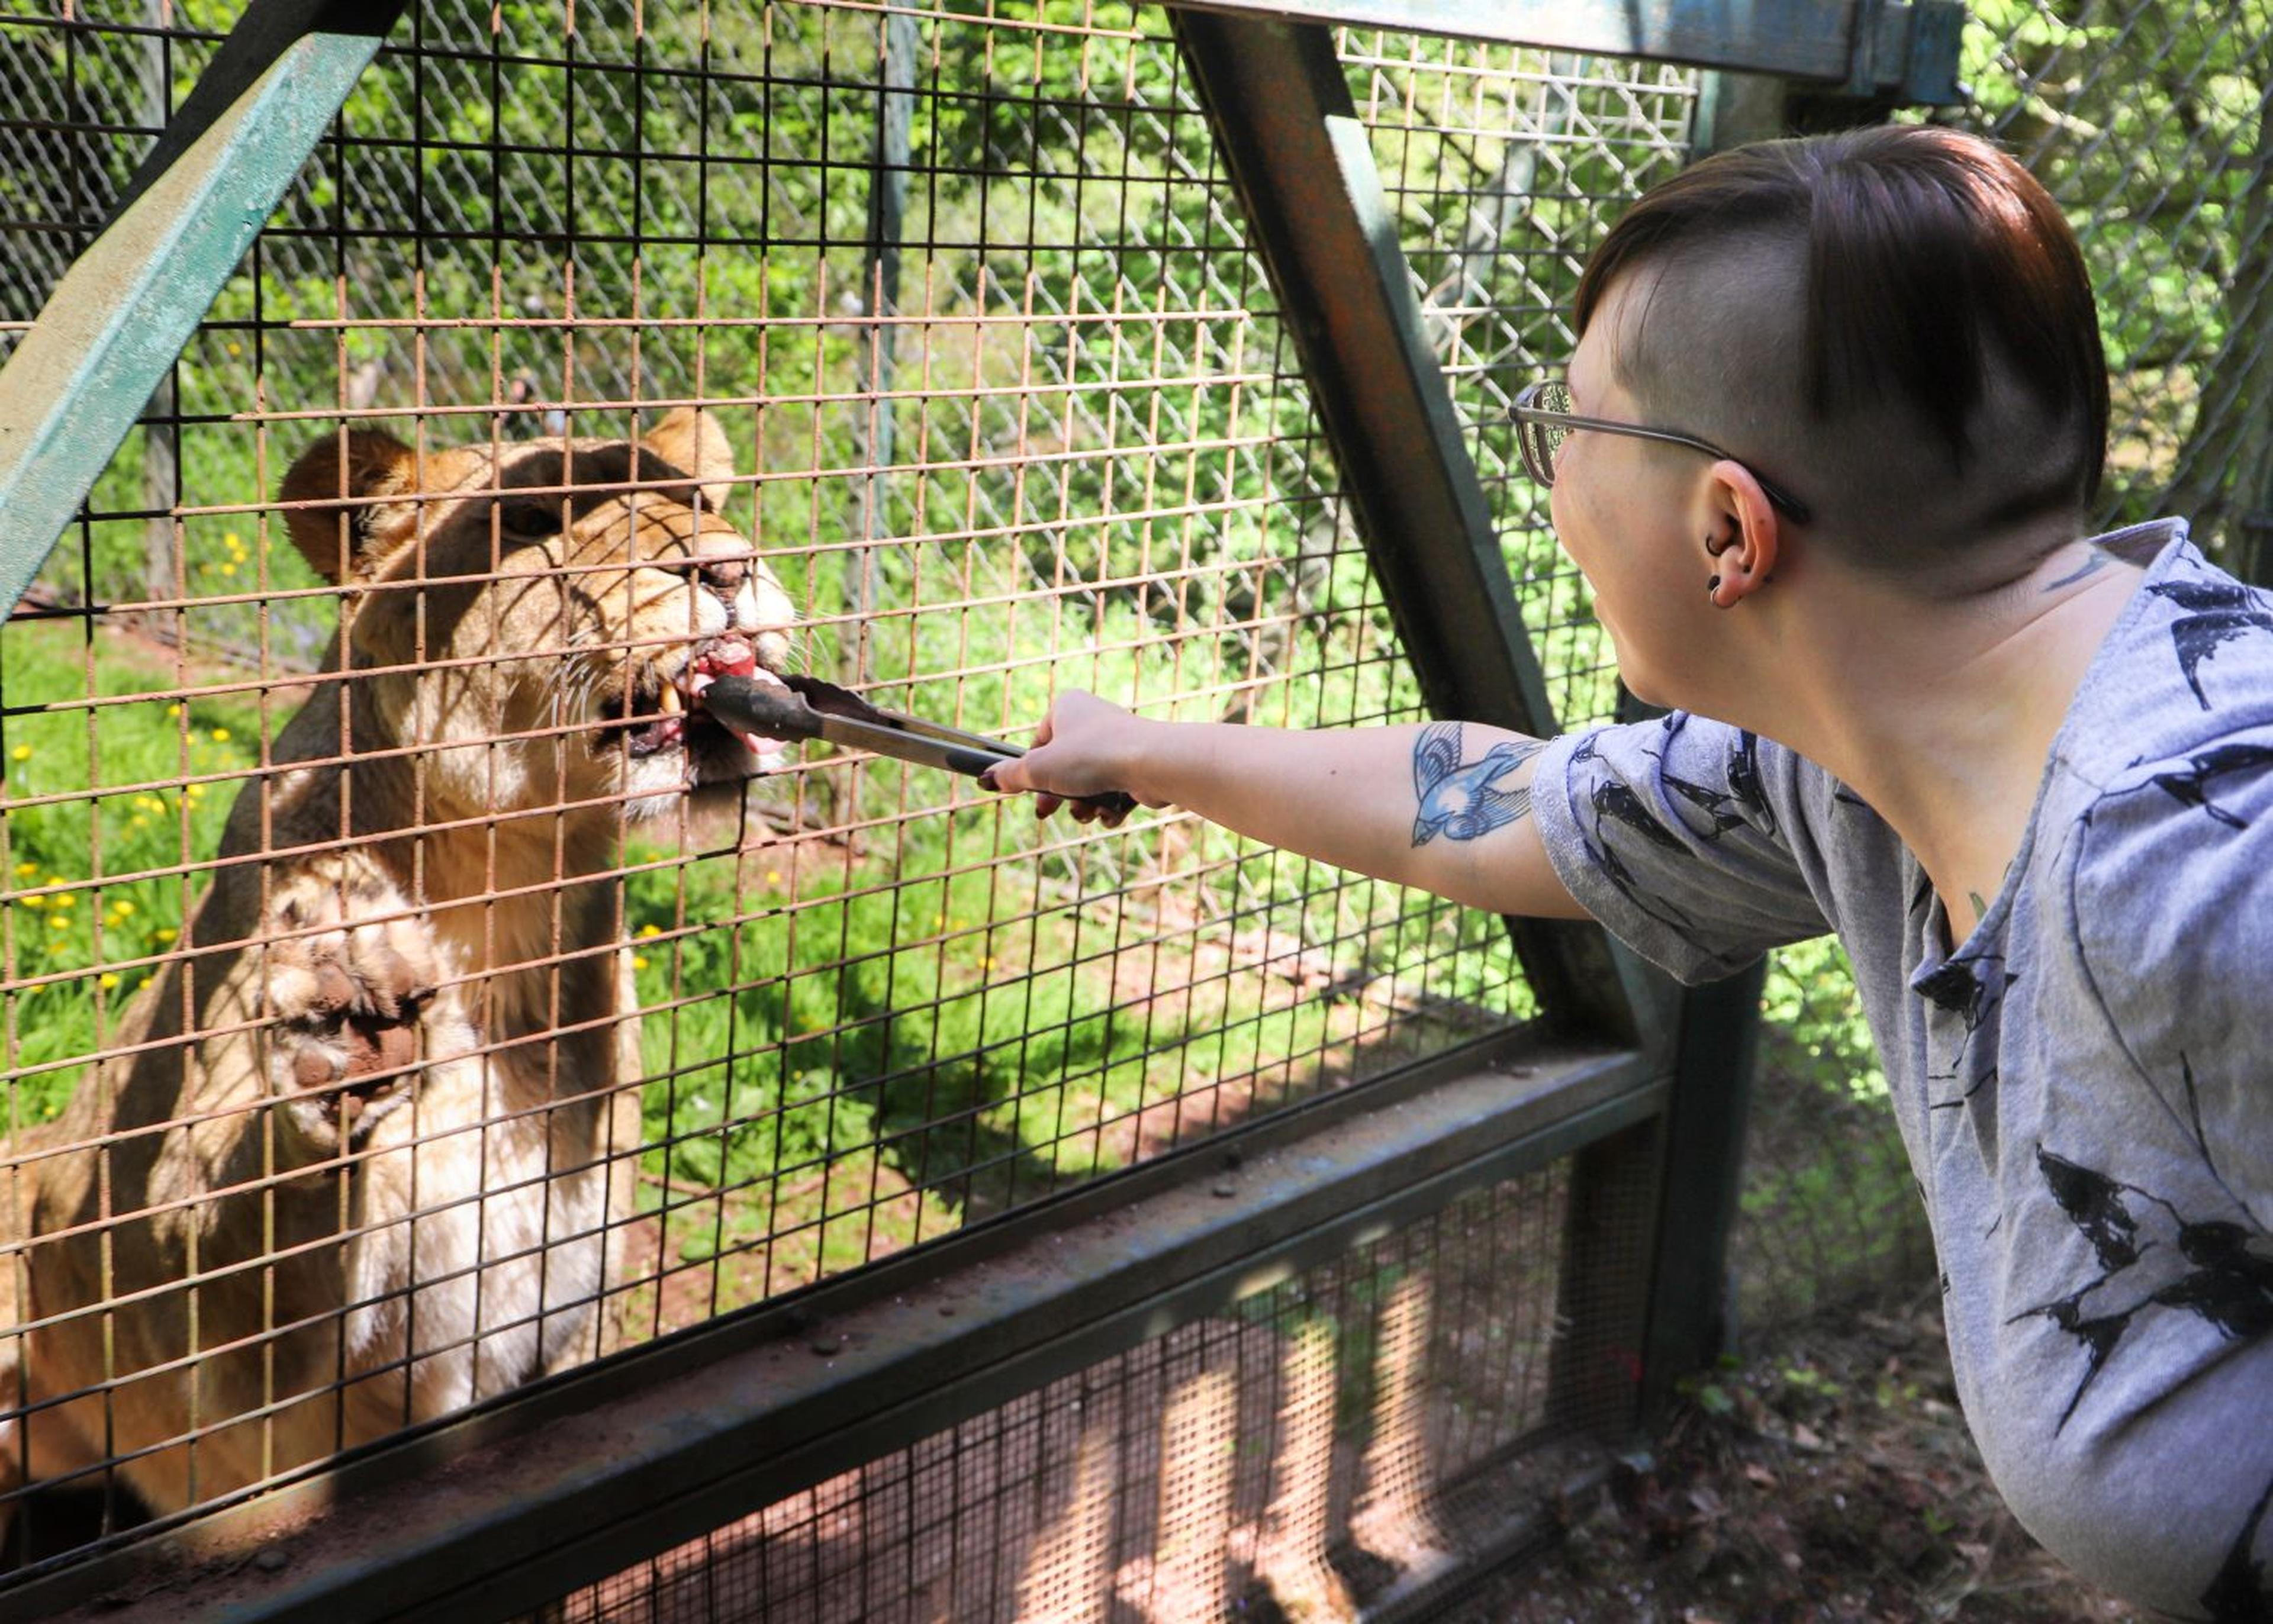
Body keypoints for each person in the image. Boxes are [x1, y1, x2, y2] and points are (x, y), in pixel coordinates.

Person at [979, 124, 2273, 1622]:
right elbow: (1503, 803)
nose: (1548, 482)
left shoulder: (2201, 871)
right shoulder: (1857, 750)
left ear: (1728, 527)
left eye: (1569, 429)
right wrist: (1141, 749)